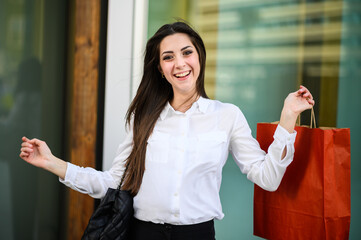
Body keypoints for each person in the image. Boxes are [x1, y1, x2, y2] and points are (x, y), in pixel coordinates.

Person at [19, 22, 314, 240]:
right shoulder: (144, 118)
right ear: (160, 68)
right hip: (141, 234)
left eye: (187, 52)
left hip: (197, 235)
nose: (180, 63)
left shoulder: (227, 115)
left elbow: (268, 178)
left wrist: (287, 119)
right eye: (168, 57)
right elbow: (113, 182)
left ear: (199, 57)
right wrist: (51, 163)